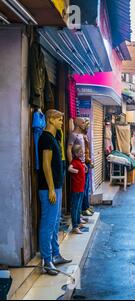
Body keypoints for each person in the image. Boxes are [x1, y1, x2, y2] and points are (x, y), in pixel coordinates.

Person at [38, 109, 72, 275]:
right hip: (48, 189)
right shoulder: (45, 138)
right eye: (59, 120)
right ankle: (46, 260)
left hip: (56, 187)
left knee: (54, 223)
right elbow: (45, 164)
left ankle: (55, 254)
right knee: (48, 224)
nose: (61, 123)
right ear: (51, 119)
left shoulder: (53, 138)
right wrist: (51, 188)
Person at [68, 145, 86, 234]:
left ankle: (78, 223)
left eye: (82, 152)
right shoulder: (74, 161)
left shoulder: (79, 161)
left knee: (78, 207)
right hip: (76, 188)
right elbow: (69, 168)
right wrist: (76, 171)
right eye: (80, 152)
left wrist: (84, 168)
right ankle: (75, 226)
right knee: (75, 207)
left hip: (81, 188)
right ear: (75, 153)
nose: (82, 153)